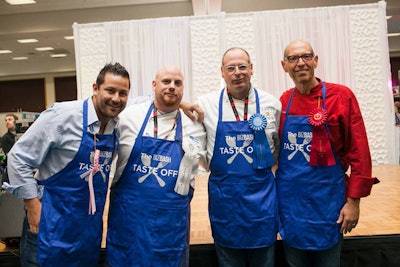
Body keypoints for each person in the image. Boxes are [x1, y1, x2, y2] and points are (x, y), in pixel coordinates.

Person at [3, 62, 131, 267]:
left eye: (123, 93)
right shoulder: (62, 116)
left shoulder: (116, 125)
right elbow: (18, 158)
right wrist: (33, 207)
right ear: (95, 88)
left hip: (87, 235)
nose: (116, 98)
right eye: (110, 90)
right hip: (49, 228)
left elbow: (155, 99)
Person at [276, 39, 378, 267]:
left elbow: (360, 152)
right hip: (291, 203)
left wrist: (354, 203)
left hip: (328, 200)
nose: (300, 63)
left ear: (315, 60)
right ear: (284, 66)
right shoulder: (284, 101)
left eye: (306, 56)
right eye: (293, 58)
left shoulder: (342, 97)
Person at [105, 64, 206, 266]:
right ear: (153, 84)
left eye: (178, 83)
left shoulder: (194, 126)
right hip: (129, 223)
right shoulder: (127, 117)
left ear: (183, 88)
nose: (172, 87)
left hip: (170, 228)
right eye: (166, 82)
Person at [197, 47, 281, 267]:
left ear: (251, 69)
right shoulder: (206, 104)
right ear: (222, 72)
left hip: (262, 199)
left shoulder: (272, 103)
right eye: (231, 68)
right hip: (226, 200)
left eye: (242, 66)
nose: (237, 72)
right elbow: (195, 143)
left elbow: (279, 147)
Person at [1, 114, 19, 183]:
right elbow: (10, 155)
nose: (7, 122)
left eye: (10, 120)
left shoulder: (23, 135)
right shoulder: (5, 138)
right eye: (6, 120)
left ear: (16, 121)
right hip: (11, 171)